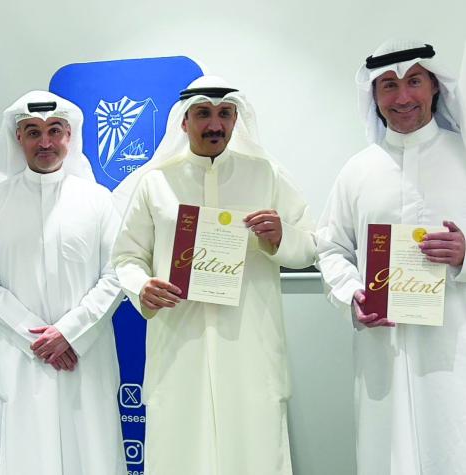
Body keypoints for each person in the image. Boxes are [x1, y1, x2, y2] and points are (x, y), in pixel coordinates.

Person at [112, 76, 316, 475]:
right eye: (203, 114)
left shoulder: (267, 175)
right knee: (180, 454)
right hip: (179, 346)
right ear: (184, 121)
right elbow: (127, 256)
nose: (215, 125)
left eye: (225, 114)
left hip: (249, 346)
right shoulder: (156, 183)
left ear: (237, 119)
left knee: (254, 453)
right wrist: (142, 287)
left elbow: (310, 244)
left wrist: (281, 237)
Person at [316, 39, 466, 475]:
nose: (402, 97)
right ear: (374, 95)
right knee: (387, 455)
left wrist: (464, 255)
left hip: (454, 350)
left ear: (435, 86)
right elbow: (330, 247)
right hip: (383, 350)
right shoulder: (358, 170)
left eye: (413, 81)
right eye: (388, 85)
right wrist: (352, 295)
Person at [0, 91, 126, 475]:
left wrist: (69, 332)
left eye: (55, 130)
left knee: (92, 454)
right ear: (18, 137)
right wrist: (37, 338)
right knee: (29, 456)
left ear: (69, 136)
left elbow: (117, 273)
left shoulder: (98, 200)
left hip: (86, 354)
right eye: (34, 132)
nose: (45, 142)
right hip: (24, 358)